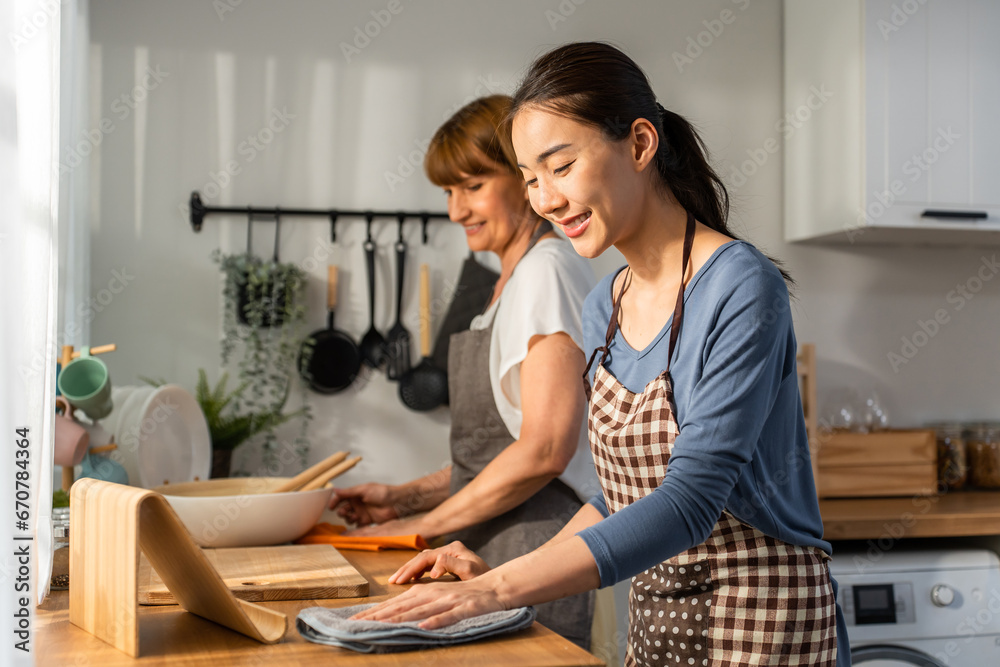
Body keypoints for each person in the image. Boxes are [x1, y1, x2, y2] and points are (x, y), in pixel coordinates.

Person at [351, 43, 850, 666]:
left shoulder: (739, 286)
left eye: (560, 166)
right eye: (531, 179)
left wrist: (495, 588)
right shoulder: (604, 306)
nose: (546, 200)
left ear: (640, 144)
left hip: (761, 623)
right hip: (660, 623)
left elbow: (691, 501)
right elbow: (620, 496)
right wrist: (499, 570)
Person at [331, 94, 599, 650]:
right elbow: (499, 443)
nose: (456, 211)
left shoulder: (545, 272)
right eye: (449, 192)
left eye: (472, 186)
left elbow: (547, 449)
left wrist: (418, 527)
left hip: (534, 548)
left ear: (525, 179)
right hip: (485, 545)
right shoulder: (507, 285)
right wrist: (403, 497)